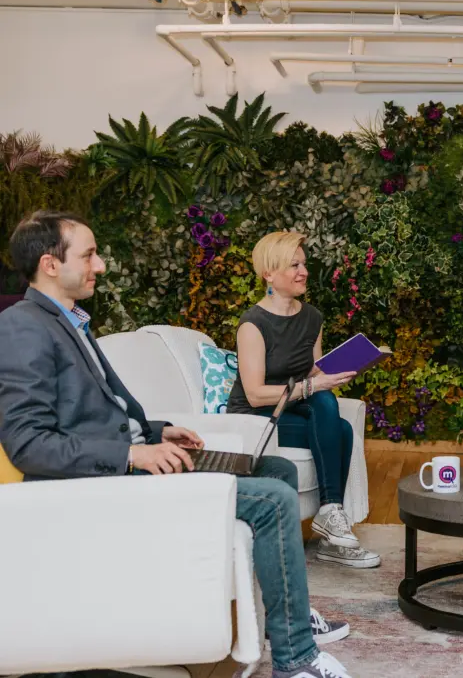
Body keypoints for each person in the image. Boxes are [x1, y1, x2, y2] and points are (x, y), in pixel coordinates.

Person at [0, 212, 355, 678]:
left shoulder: (71, 322)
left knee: (277, 470)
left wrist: (157, 430)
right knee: (274, 501)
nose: (100, 265)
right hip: (111, 481)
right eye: (88, 255)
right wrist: (132, 454)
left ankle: (278, 619)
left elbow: (104, 410)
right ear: (50, 264)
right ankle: (297, 660)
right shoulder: (22, 326)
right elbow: (27, 444)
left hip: (137, 461)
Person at [228, 231, 379, 570]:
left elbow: (311, 372)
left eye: (304, 264)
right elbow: (254, 393)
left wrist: (338, 369)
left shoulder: (311, 317)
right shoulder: (252, 324)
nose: (303, 272)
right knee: (336, 426)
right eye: (294, 265)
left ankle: (330, 514)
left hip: (292, 406)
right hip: (256, 416)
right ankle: (332, 524)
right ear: (269, 273)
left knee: (329, 408)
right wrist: (315, 386)